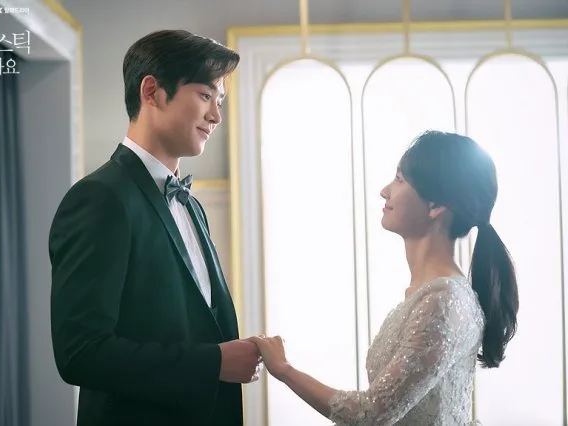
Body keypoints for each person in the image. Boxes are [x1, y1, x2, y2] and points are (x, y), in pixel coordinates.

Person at [49, 30, 260, 426]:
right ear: (152, 92)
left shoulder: (192, 206)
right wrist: (213, 362)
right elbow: (81, 353)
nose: (216, 116)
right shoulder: (100, 198)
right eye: (205, 95)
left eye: (220, 102)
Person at [250, 130, 519, 425]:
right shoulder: (431, 294)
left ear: (436, 206)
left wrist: (285, 370)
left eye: (400, 179)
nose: (385, 191)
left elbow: (371, 413)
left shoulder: (443, 300)